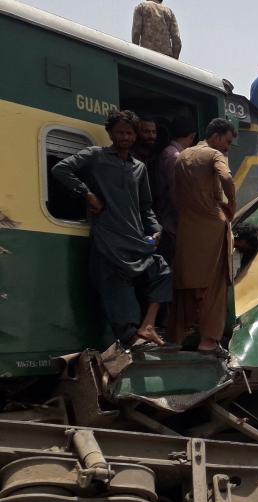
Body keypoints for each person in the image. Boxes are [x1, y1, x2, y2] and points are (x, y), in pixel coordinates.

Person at [51, 109, 170, 346]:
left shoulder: (139, 167)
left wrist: (155, 229)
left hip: (135, 236)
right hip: (109, 235)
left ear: (135, 136)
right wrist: (87, 195)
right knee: (117, 285)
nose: (124, 137)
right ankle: (129, 335)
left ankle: (147, 326)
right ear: (110, 133)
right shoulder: (96, 155)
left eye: (128, 133)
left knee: (163, 272)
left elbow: (146, 206)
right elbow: (60, 169)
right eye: (119, 132)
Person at [169, 118, 238, 354]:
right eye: (227, 141)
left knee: (185, 284)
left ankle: (176, 337)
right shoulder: (214, 155)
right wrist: (232, 205)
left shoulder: (182, 156)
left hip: (187, 228)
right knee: (216, 286)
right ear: (216, 136)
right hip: (212, 226)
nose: (227, 147)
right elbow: (226, 178)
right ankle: (208, 341)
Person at [155, 115, 196, 265]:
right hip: (172, 225)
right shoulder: (176, 157)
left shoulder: (168, 152)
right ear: (191, 136)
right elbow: (177, 195)